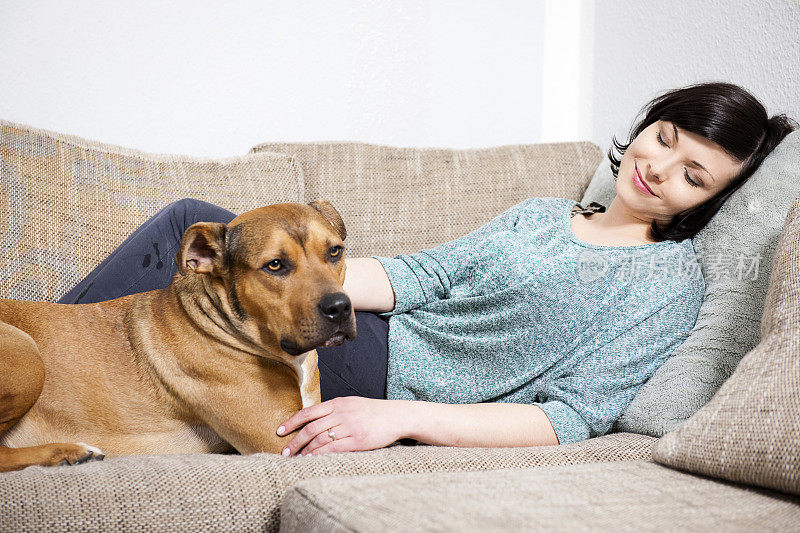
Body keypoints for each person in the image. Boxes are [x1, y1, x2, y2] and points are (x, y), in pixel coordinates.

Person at [58, 82, 796, 457]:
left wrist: (397, 417)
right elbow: (423, 276)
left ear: (714, 199)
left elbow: (573, 416)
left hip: (385, 382)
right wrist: (324, 287)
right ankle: (33, 351)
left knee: (185, 231)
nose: (658, 167)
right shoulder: (542, 213)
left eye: (693, 174)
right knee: (187, 227)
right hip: (364, 334)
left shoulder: (668, 283)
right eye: (661, 137)